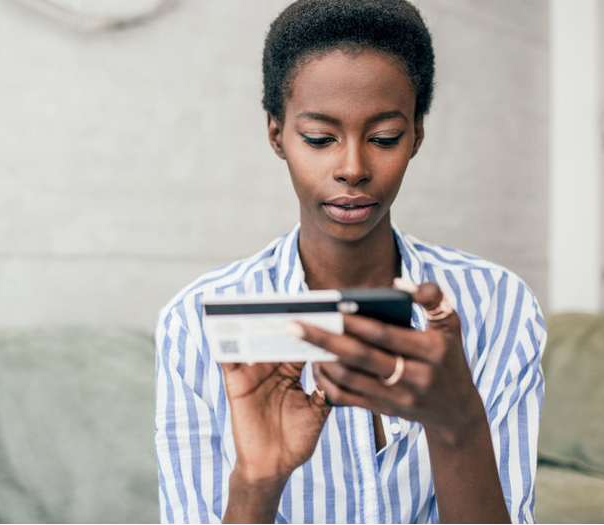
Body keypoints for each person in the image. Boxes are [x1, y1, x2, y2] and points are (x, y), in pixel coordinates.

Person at [154, 0, 545, 522]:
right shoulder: (194, 324)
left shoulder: (500, 307)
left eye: (385, 138)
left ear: (417, 135)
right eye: (319, 139)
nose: (353, 168)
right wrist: (256, 485)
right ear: (277, 134)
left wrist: (458, 423)